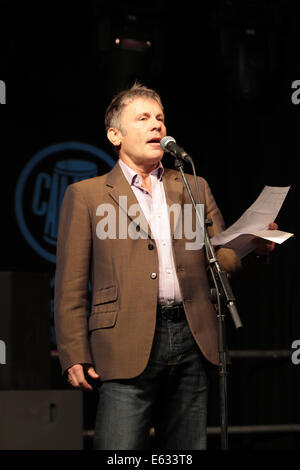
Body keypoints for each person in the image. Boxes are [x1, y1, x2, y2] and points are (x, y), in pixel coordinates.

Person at [54, 83, 277, 450]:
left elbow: (220, 259)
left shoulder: (192, 186)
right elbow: (70, 283)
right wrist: (74, 351)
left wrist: (253, 245)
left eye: (160, 118)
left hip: (192, 337)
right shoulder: (87, 195)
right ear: (115, 134)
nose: (156, 125)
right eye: (143, 118)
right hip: (124, 340)